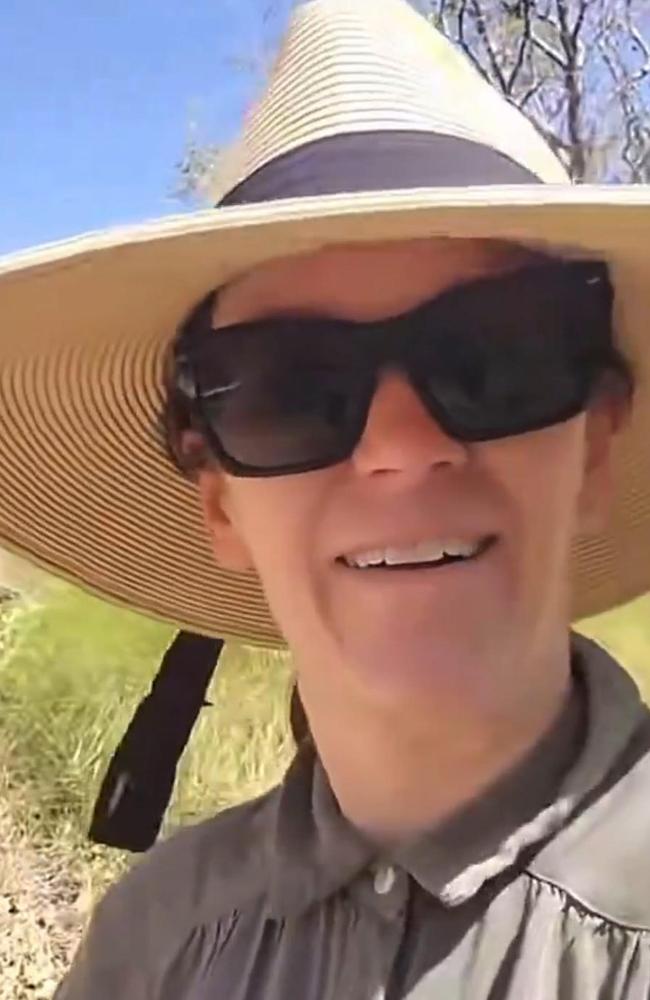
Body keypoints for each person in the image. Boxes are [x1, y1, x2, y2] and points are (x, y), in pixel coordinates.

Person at [0, 0, 649, 996]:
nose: (399, 449)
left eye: (489, 359)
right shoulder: (148, 951)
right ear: (219, 503)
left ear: (595, 442)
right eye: (287, 389)